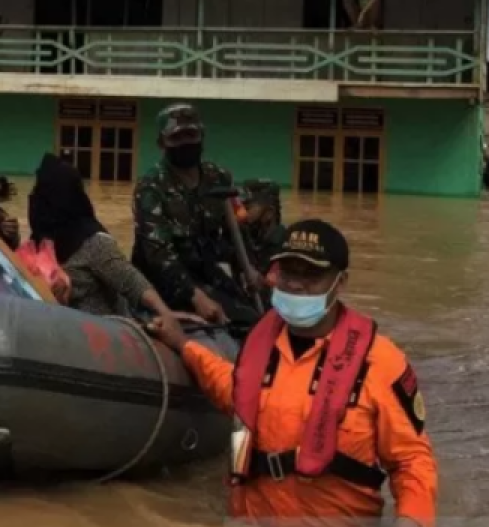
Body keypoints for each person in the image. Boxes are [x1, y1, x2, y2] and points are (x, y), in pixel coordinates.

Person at [146, 219, 438, 527]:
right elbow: (232, 391)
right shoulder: (259, 346)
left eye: (311, 275)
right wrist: (183, 344)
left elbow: (411, 461)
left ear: (340, 283)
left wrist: (411, 521)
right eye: (288, 273)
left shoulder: (380, 362)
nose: (296, 284)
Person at [132, 103, 263, 328]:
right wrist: (195, 296)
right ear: (161, 143)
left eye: (191, 135)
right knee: (236, 320)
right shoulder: (151, 188)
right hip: (165, 281)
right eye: (176, 137)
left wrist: (248, 269)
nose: (185, 143)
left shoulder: (218, 178)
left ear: (202, 136)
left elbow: (237, 235)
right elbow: (158, 255)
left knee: (260, 313)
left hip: (207, 271)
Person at [31, 153, 180, 321]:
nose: (36, 200)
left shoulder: (94, 242)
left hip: (104, 333)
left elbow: (131, 280)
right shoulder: (37, 245)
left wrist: (165, 313)